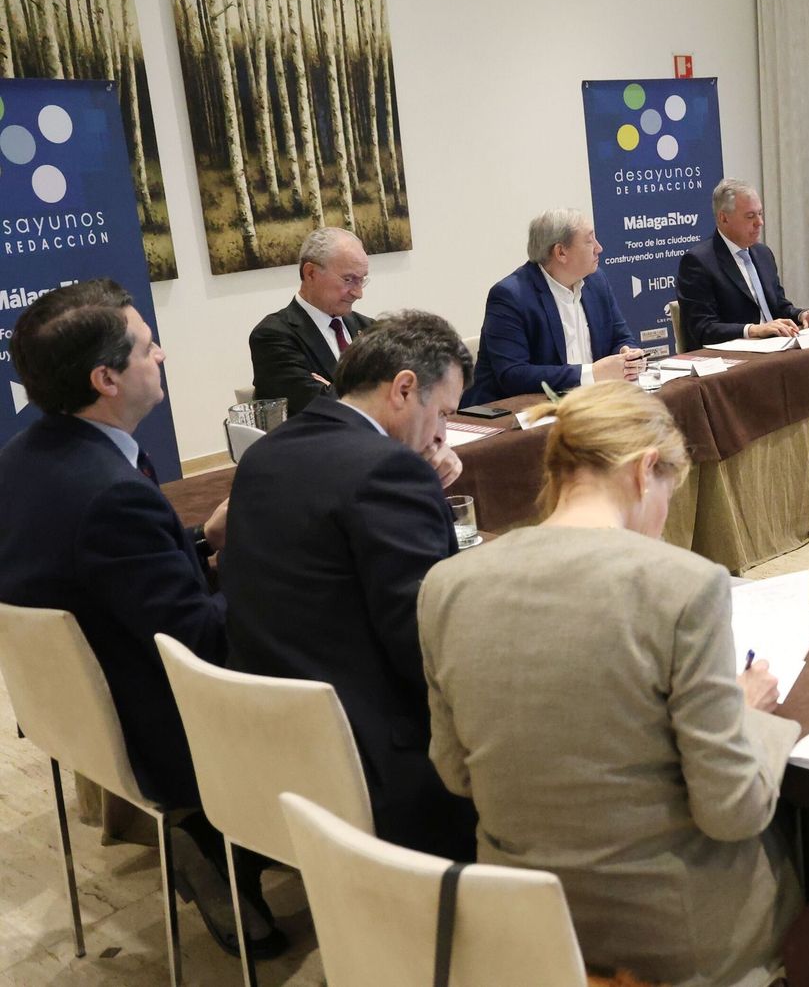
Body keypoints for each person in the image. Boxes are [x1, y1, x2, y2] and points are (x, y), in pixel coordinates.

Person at [417, 382, 798, 987]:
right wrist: (749, 712)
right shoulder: (684, 585)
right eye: (671, 493)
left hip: (526, 924)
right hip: (667, 939)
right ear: (647, 470)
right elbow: (733, 811)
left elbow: (456, 772)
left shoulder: (446, 583)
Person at [0, 279, 282, 956]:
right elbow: (206, 644)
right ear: (106, 377)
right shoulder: (112, 494)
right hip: (160, 725)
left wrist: (201, 545)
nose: (162, 356)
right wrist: (265, 566)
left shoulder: (24, 460)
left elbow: (97, 575)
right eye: (150, 349)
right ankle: (244, 838)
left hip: (75, 712)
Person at [223, 311, 478, 862]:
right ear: (404, 388)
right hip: (371, 759)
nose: (441, 435)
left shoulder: (266, 452)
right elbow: (426, 644)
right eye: (443, 415)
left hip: (266, 741)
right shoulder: (386, 471)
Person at [464, 209, 643, 405]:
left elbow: (621, 337)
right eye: (589, 241)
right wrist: (591, 373)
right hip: (514, 417)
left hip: (588, 404)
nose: (599, 248)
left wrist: (628, 354)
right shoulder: (510, 296)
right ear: (561, 252)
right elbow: (512, 375)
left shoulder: (596, 281)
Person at [675, 178, 809, 349]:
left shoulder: (763, 253)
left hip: (775, 348)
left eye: (760, 214)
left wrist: (803, 315)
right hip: (734, 359)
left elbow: (778, 306)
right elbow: (703, 328)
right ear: (723, 218)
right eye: (750, 216)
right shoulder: (699, 262)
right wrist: (753, 330)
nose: (760, 223)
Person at [249, 227, 375, 416]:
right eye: (349, 280)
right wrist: (375, 390)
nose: (358, 293)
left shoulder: (369, 328)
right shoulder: (273, 336)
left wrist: (333, 389)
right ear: (310, 273)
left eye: (361, 280)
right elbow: (321, 409)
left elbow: (404, 394)